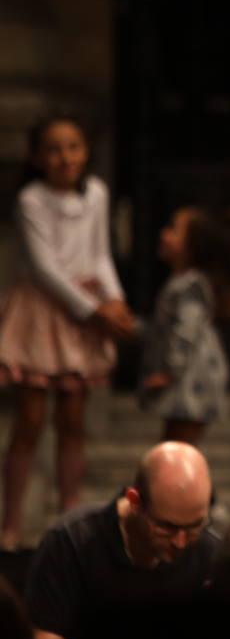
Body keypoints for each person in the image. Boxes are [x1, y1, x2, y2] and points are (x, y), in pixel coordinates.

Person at [0, 116, 134, 548]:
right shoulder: (31, 200)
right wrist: (95, 312)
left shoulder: (96, 194)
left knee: (73, 420)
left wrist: (115, 301)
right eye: (54, 149)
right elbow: (45, 269)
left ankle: (68, 517)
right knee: (31, 418)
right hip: (43, 314)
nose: (65, 158)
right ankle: (13, 524)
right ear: (37, 156)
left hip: (87, 315)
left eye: (73, 146)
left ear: (87, 150)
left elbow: (100, 255)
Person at [24, 441, 217, 639]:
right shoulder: (71, 541)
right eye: (166, 527)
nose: (181, 542)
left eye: (194, 526)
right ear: (134, 501)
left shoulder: (209, 551)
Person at [139, 205, 230, 445]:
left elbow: (185, 331)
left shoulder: (190, 286)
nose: (164, 235)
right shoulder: (182, 283)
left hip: (192, 380)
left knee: (179, 448)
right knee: (174, 445)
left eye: (173, 229)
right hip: (187, 380)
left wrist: (169, 370)